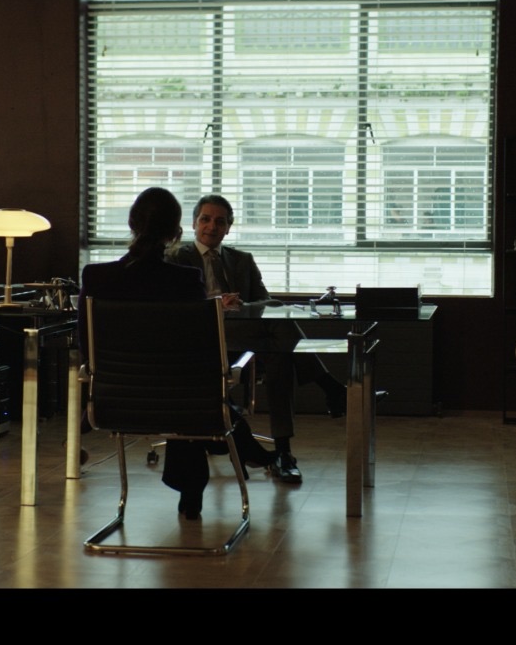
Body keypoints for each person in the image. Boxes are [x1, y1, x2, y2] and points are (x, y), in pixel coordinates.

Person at [79, 187, 276, 520]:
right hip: (183, 403)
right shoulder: (185, 280)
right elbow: (201, 350)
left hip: (112, 402)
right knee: (188, 390)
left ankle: (208, 473)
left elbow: (87, 345)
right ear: (177, 232)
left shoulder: (95, 277)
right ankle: (199, 484)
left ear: (131, 224)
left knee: (180, 387)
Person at [166, 193, 347, 485]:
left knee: (278, 348)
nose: (212, 226)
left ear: (229, 227)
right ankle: (328, 391)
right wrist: (216, 303)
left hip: (244, 343)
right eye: (205, 219)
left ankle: (284, 451)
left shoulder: (242, 260)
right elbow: (174, 309)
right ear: (194, 223)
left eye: (220, 221)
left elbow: (265, 305)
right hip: (203, 343)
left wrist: (242, 306)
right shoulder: (176, 258)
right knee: (279, 346)